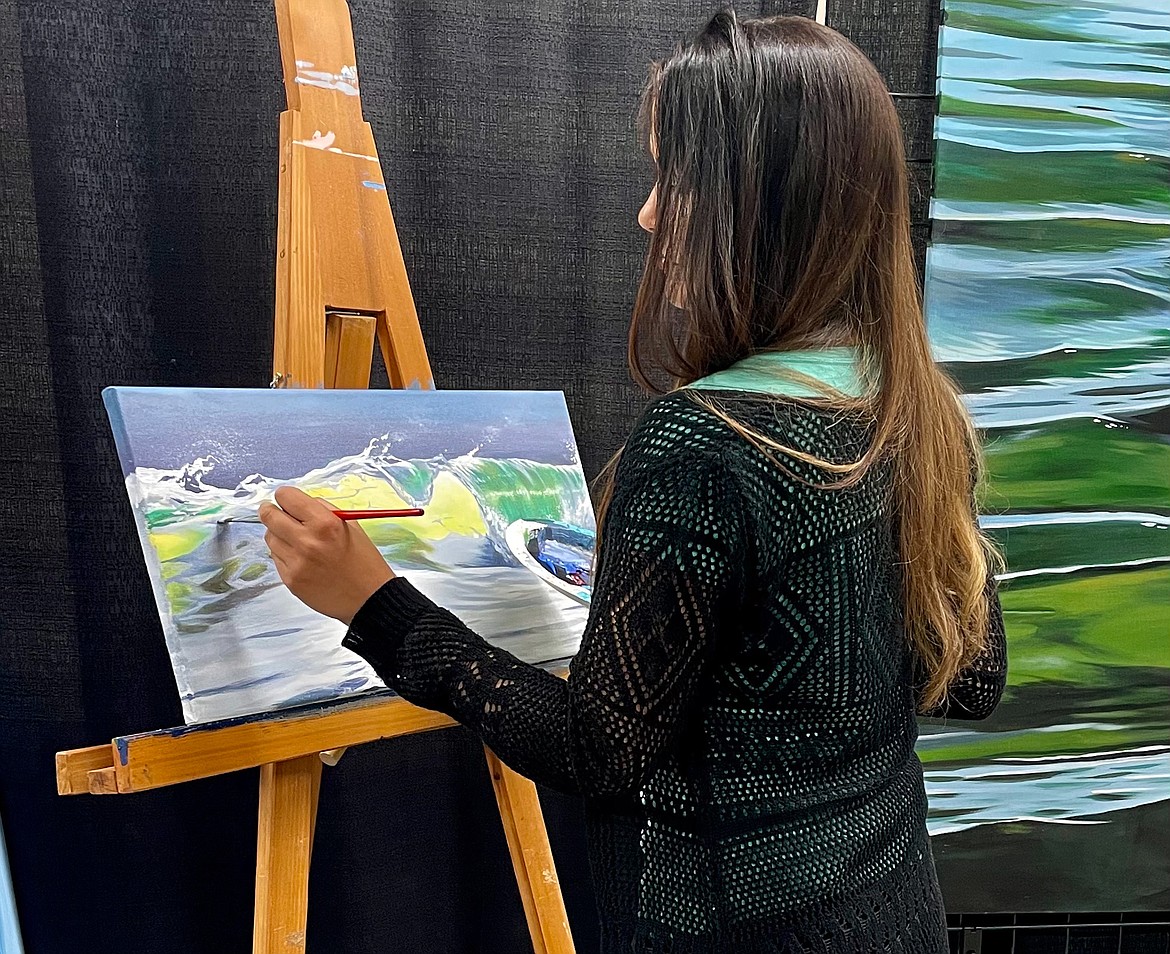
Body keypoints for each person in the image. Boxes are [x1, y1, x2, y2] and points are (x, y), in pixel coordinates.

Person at [260, 9, 1007, 952]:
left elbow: (600, 751)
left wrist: (377, 606)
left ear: (762, 205)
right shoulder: (913, 406)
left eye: (675, 178)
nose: (649, 212)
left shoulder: (703, 443)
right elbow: (972, 678)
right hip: (891, 914)